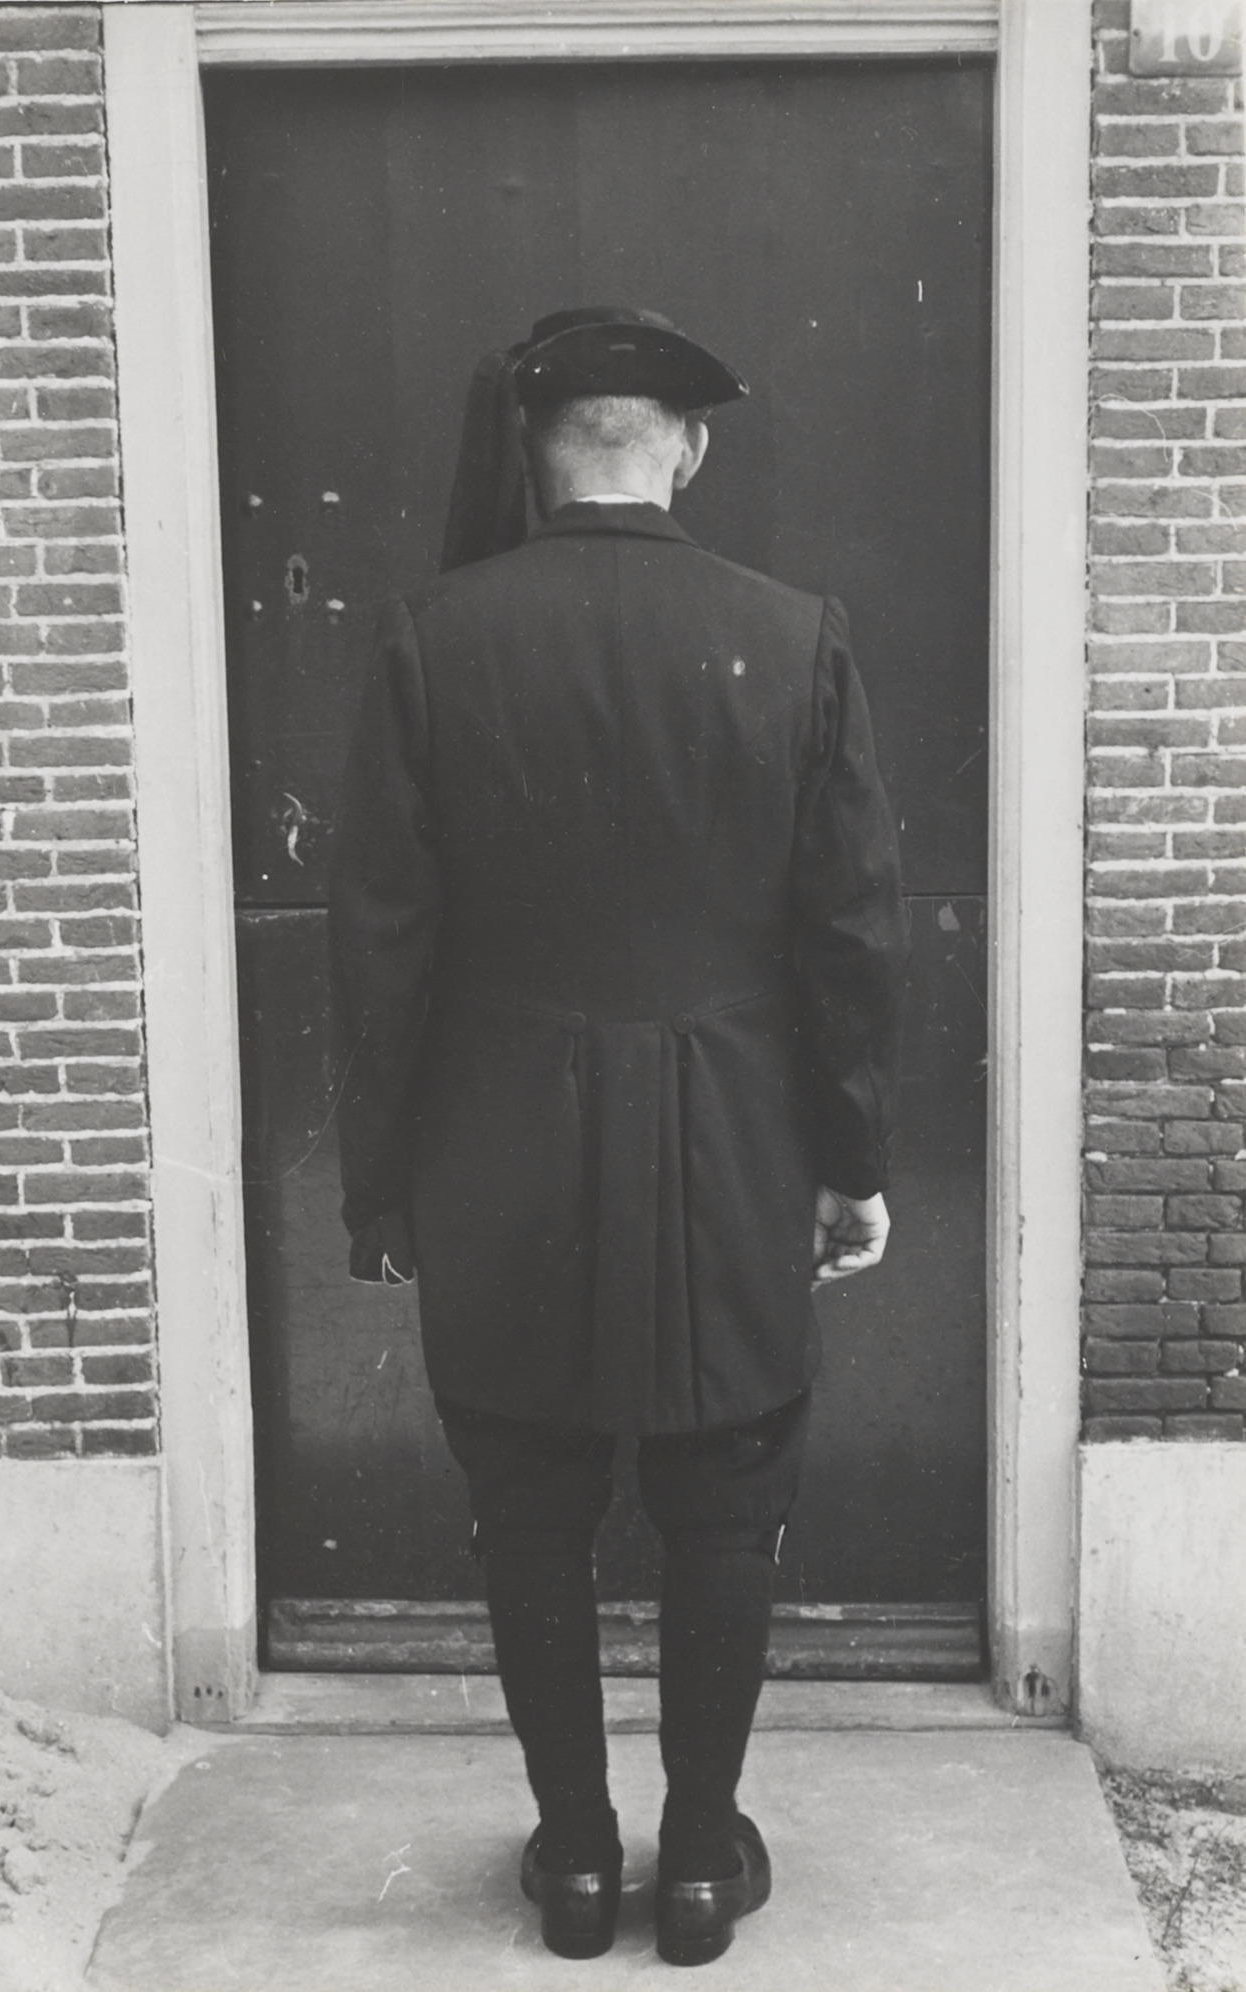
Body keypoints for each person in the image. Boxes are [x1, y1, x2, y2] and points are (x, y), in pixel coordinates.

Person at [329, 305, 908, 1967]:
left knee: (528, 1509)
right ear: (689, 449)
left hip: (498, 1148)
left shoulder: (430, 635)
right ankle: (702, 1862)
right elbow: (850, 938)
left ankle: (577, 1863)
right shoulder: (793, 635)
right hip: (732, 1146)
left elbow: (379, 944)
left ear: (533, 450)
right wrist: (852, 1160)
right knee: (726, 1505)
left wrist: (381, 1186)